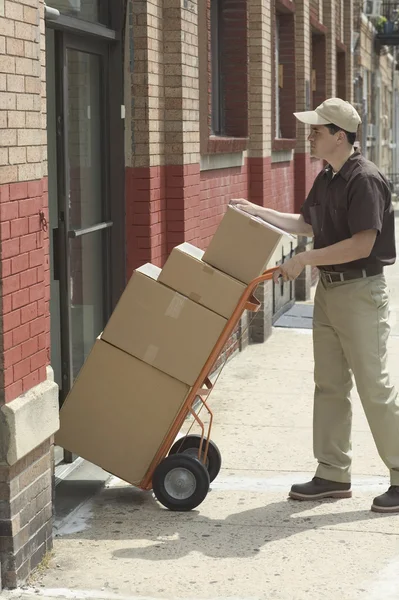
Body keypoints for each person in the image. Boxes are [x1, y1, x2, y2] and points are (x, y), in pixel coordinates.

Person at [231, 97, 399, 513]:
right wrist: (258, 211)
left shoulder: (365, 179)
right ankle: (332, 473)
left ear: (339, 137)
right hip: (330, 293)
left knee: (374, 389)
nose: (309, 136)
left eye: (317, 130)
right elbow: (308, 224)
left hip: (361, 294)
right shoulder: (327, 177)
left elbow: (363, 243)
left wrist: (304, 259)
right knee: (329, 384)